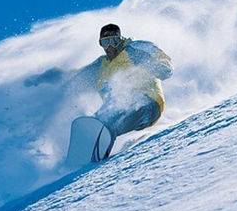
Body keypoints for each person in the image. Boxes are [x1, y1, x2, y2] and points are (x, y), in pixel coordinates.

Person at [74, 23, 173, 159]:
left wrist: (159, 67)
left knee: (109, 122)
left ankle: (95, 160)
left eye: (113, 41)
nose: (109, 47)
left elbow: (164, 63)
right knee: (96, 121)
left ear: (119, 39)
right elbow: (73, 84)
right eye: (104, 42)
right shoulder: (100, 67)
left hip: (149, 103)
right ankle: (80, 160)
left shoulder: (133, 49)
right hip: (115, 108)